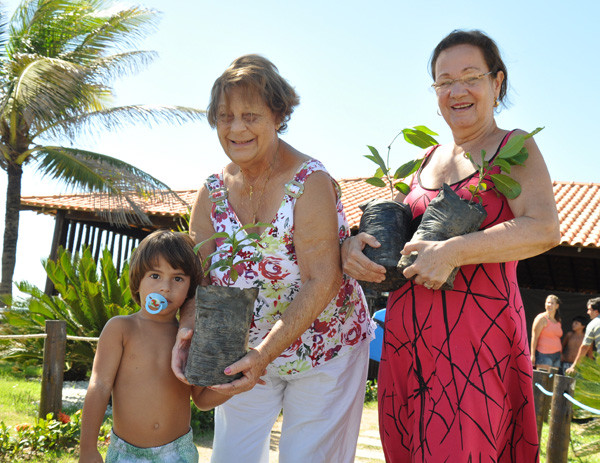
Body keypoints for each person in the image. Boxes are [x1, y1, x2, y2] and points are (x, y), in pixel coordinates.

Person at [342, 29, 560, 462]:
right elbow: (404, 241)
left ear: (497, 84)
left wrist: (456, 250)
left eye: (470, 76)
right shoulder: (429, 159)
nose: (456, 91)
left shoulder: (513, 147)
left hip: (475, 340)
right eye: (444, 81)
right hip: (407, 338)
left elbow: (544, 229)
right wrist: (354, 248)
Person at [172, 54, 373, 463]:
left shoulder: (309, 181)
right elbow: (200, 281)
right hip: (243, 350)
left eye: (250, 115)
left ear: (278, 116)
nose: (236, 128)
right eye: (225, 116)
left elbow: (323, 280)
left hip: (325, 348)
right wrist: (188, 329)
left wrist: (263, 354)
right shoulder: (211, 192)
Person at [79, 230, 229, 463]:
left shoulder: (189, 338)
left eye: (178, 278)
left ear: (190, 290)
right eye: (155, 276)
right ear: (138, 281)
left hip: (178, 454)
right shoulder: (121, 329)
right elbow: (99, 386)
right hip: (126, 454)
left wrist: (234, 383)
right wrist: (88, 448)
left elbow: (201, 399)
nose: (165, 287)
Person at [566, 297, 600, 375]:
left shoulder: (593, 324)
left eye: (589, 309)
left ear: (596, 311)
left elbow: (584, 347)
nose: (587, 312)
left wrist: (574, 367)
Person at [530, 294, 563, 371]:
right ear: (545, 304)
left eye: (552, 303)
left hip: (556, 355)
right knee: (542, 381)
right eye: (548, 302)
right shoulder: (541, 318)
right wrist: (532, 355)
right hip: (544, 355)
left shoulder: (558, 321)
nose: (549, 305)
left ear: (557, 306)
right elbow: (534, 337)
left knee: (553, 380)